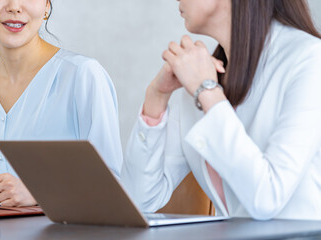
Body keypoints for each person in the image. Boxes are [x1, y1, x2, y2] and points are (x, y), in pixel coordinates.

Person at [122, 0, 321, 220]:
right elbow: (138, 200)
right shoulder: (202, 77)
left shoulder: (310, 59)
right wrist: (156, 97)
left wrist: (207, 92)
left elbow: (267, 198)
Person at [0, 0, 123, 207]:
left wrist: (41, 192)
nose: (14, 6)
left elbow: (111, 187)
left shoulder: (83, 75)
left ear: (47, 6)